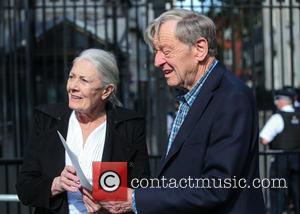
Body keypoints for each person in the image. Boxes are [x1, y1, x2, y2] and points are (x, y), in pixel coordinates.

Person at [97, 9, 265, 214]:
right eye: (156, 52)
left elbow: (216, 187)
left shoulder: (231, 97)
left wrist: (135, 198)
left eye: (166, 51)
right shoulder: (194, 95)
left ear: (200, 49)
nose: (157, 61)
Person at [16, 48, 150, 214]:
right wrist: (57, 183)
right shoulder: (47, 120)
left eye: (84, 80)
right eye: (71, 77)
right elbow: (25, 188)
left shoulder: (128, 125)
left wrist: (107, 207)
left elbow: (141, 188)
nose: (73, 86)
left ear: (106, 91)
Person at [260, 88, 300, 214]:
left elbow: (265, 139)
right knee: (297, 189)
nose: (276, 103)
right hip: (297, 157)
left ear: (281, 101)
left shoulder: (278, 117)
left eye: (277, 100)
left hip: (280, 158)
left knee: (277, 190)